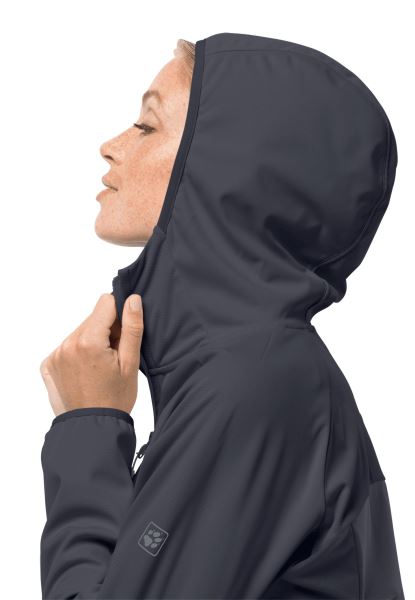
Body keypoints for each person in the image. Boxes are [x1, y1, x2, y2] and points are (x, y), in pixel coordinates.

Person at [39, 32, 406, 599]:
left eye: (146, 126)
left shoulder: (253, 389)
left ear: (228, 172)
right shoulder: (253, 372)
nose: (111, 146)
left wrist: (87, 426)